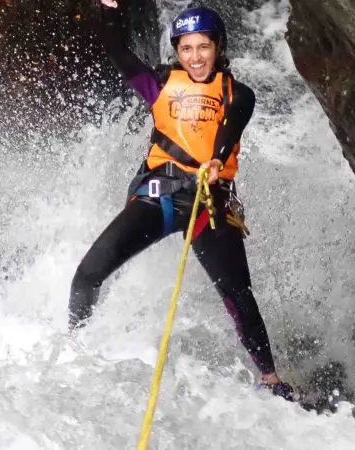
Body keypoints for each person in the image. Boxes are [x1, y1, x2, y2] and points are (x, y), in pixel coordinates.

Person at [67, 0, 294, 400]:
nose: (195, 57)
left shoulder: (238, 93)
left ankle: (271, 380)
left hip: (209, 203)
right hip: (160, 197)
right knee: (87, 274)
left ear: (217, 47)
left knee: (238, 295)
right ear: (177, 50)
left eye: (203, 47)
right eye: (186, 49)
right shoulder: (157, 84)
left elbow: (232, 124)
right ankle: (69, 354)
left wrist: (217, 160)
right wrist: (109, 10)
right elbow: (117, 50)